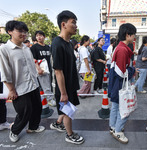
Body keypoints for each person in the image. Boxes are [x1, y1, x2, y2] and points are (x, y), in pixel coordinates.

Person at [0, 20, 45, 143]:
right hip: (19, 87)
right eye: (20, 31)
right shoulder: (5, 49)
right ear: (10, 32)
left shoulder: (26, 47)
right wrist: (11, 90)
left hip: (33, 84)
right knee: (25, 111)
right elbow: (5, 72)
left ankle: (33, 127)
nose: (23, 34)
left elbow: (31, 64)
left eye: (25, 32)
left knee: (37, 108)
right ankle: (14, 130)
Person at [50, 10, 84, 144]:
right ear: (63, 24)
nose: (76, 26)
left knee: (66, 109)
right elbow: (58, 71)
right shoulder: (57, 44)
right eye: (73, 23)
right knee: (69, 110)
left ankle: (58, 123)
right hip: (62, 86)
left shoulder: (69, 44)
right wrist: (63, 93)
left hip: (70, 83)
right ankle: (69, 135)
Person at [108, 23, 136, 144]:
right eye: (133, 34)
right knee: (124, 109)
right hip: (120, 84)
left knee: (115, 107)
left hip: (115, 83)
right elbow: (121, 73)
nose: (134, 37)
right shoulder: (123, 49)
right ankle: (118, 131)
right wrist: (133, 70)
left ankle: (113, 127)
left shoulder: (118, 47)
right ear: (127, 35)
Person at [30, 31, 56, 107]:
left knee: (50, 84)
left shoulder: (48, 47)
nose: (39, 37)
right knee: (45, 85)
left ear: (44, 37)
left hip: (50, 68)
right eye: (37, 36)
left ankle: (50, 97)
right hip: (41, 70)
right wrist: (38, 69)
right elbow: (33, 59)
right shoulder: (34, 47)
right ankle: (50, 99)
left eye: (41, 35)